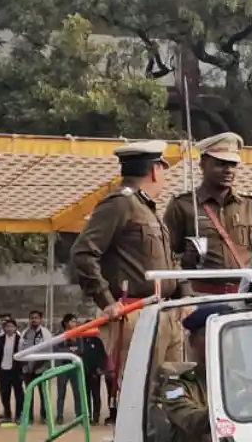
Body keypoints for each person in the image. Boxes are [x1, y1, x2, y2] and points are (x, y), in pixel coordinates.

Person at [70, 140, 190, 387]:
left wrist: (184, 296)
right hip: (136, 313)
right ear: (155, 170)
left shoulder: (147, 209)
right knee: (142, 390)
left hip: (165, 312)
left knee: (174, 390)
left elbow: (168, 262)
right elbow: (83, 253)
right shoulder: (120, 203)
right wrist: (106, 301)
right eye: (163, 170)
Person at [163, 132, 252, 294]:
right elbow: (168, 256)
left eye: (233, 164)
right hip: (201, 294)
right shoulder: (183, 206)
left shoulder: (251, 206)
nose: (228, 170)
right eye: (221, 164)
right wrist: (184, 290)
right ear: (202, 164)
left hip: (244, 294)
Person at [157, 304, 232, 442]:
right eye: (207, 334)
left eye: (225, 332)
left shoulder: (246, 382)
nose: (217, 340)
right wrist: (234, 408)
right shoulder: (177, 386)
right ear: (191, 342)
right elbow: (189, 419)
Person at [20, 311, 52, 423]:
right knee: (29, 394)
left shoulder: (45, 333)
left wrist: (44, 367)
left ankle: (44, 416)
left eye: (36, 318)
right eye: (32, 318)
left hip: (41, 368)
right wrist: (24, 366)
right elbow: (20, 349)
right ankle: (29, 417)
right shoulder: (25, 333)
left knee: (44, 394)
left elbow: (49, 351)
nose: (34, 320)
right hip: (28, 368)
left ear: (40, 319)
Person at [0, 318, 24, 425]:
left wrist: (22, 371)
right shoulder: (0, 339)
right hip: (3, 370)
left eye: (12, 326)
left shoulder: (20, 339)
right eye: (7, 326)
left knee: (19, 394)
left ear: (15, 328)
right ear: (4, 328)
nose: (9, 328)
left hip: (16, 371)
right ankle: (7, 415)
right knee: (4, 394)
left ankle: (19, 415)